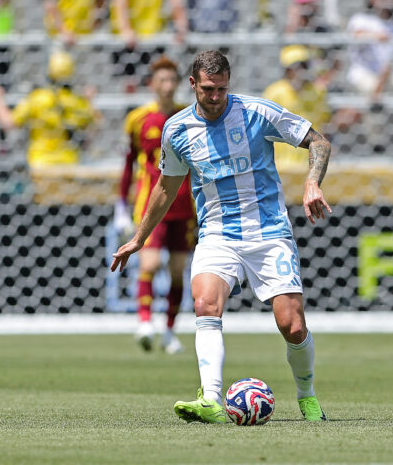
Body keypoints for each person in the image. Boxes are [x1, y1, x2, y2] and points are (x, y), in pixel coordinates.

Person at [110, 50, 332, 423]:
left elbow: (319, 142)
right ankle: (211, 398)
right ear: (193, 84)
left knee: (292, 324)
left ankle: (307, 395)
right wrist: (139, 238)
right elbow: (165, 187)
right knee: (206, 305)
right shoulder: (177, 130)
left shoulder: (258, 113)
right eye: (209, 89)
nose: (216, 97)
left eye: (222, 89)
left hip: (269, 231)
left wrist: (312, 183)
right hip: (217, 234)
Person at [115, 56, 194, 354]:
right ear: (152, 84)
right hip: (151, 206)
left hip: (185, 206)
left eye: (172, 80)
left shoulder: (188, 117)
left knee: (177, 270)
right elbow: (128, 165)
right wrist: (121, 205)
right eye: (162, 79)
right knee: (149, 263)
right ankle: (145, 322)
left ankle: (170, 331)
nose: (167, 85)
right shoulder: (138, 119)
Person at [0, 50, 99, 167]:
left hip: (41, 162)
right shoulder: (76, 101)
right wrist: (89, 101)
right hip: (69, 163)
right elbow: (95, 125)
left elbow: (8, 123)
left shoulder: (38, 98)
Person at [263, 45, 331, 166]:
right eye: (295, 67)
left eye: (304, 66)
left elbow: (324, 123)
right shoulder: (275, 92)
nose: (300, 71)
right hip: (280, 160)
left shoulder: (318, 91)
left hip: (310, 159)